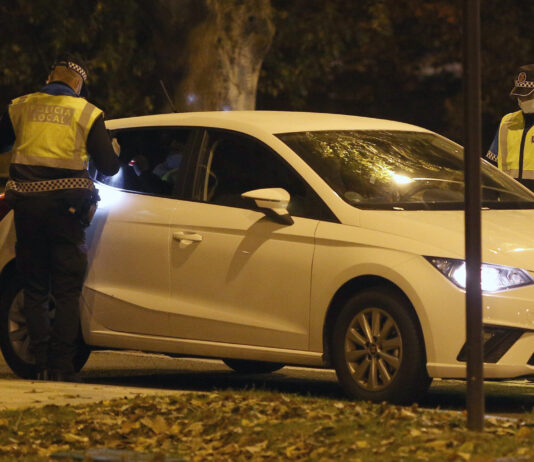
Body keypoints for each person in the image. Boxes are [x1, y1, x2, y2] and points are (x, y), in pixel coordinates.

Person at [0, 54, 120, 381]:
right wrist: (115, 150)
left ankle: (38, 363)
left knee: (35, 287)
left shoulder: (20, 106)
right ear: (78, 84)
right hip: (67, 212)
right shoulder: (87, 112)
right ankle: (61, 367)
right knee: (67, 290)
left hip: (27, 210)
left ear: (49, 76)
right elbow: (109, 167)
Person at [485, 64, 534, 191]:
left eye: (528, 95)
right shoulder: (507, 122)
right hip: (510, 204)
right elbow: (491, 167)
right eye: (520, 95)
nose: (522, 99)